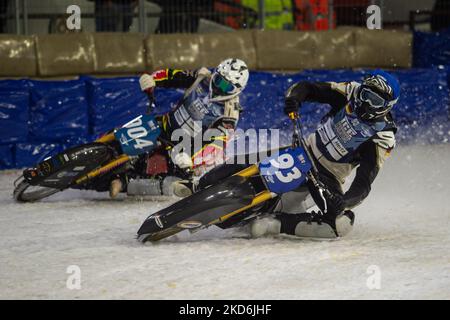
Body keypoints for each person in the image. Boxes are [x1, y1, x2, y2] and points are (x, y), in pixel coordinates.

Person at [250, 70, 400, 239]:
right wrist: (294, 99)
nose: (366, 102)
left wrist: (345, 201)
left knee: (339, 224)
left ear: (387, 105)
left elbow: (364, 183)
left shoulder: (383, 136)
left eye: (375, 101)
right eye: (365, 94)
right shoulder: (351, 91)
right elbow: (308, 87)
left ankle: (275, 223)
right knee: (245, 159)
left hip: (326, 175)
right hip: (304, 149)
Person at [109, 58, 249, 198]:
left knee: (179, 184)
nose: (219, 88)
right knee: (124, 136)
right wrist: (153, 79)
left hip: (184, 149)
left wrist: (191, 158)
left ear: (237, 90)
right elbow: (173, 75)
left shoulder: (230, 115)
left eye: (227, 87)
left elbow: (215, 143)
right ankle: (108, 146)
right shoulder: (202, 77)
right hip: (165, 125)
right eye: (218, 80)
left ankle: (126, 182)